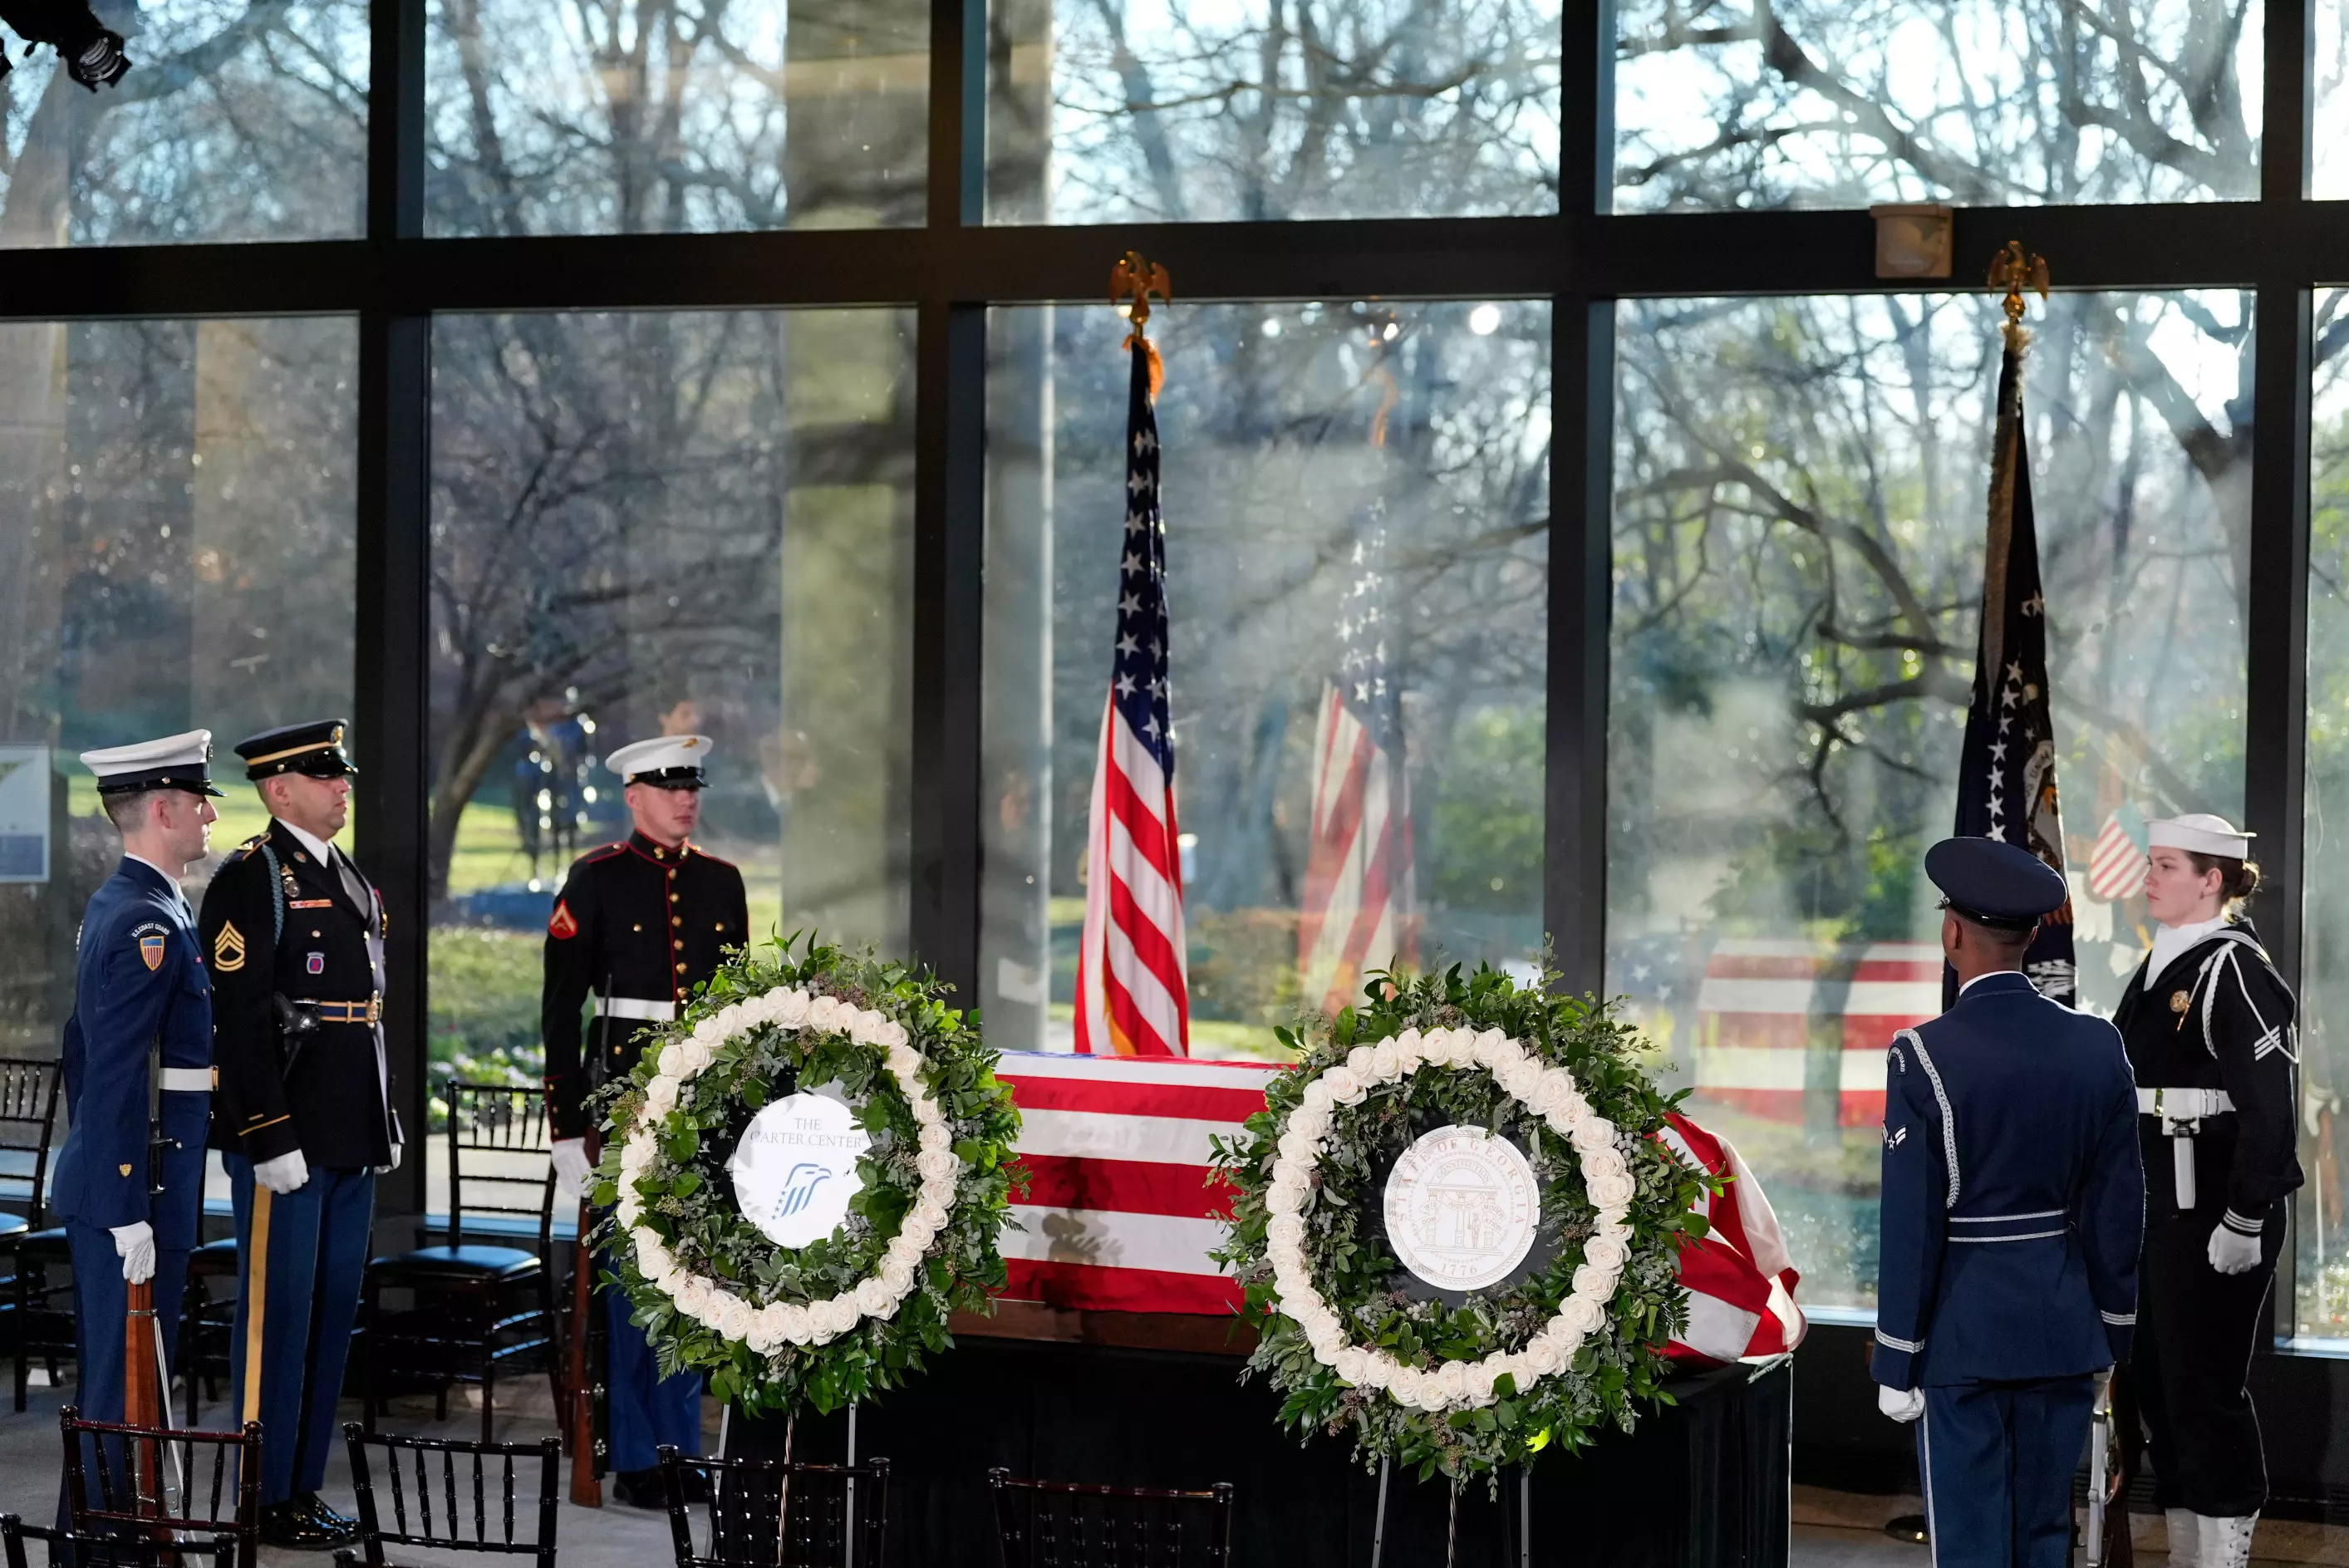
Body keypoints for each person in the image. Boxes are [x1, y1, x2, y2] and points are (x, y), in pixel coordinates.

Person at [1871, 836, 2144, 1568]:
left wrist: (1895, 1358)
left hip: (1963, 1336)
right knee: (2041, 1537)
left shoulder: (1922, 1054)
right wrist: (2112, 1333)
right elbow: (2117, 1211)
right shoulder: (2098, 1046)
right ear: (2031, 936)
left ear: (1951, 933)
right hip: (2062, 1327)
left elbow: (1911, 1225)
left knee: (1969, 1545)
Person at [199, 720, 399, 1550]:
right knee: (277, 1316)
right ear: (280, 790)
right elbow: (238, 1022)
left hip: (349, 1129)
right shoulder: (253, 878)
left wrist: (380, 1120)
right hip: (288, 1138)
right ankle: (260, 1489)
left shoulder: (345, 874)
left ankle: (301, 1486)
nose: (343, 786)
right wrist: (268, 1134)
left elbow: (367, 1015)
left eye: (342, 775)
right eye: (326, 777)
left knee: (328, 1315)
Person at [542, 734, 747, 1507]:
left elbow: (737, 1005)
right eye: (669, 787)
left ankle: (683, 1448)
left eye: (692, 785)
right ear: (634, 795)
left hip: (704, 1107)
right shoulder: (595, 879)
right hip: (624, 1104)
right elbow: (561, 1012)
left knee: (693, 1281)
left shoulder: (723, 883)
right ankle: (636, 1457)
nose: (686, 798)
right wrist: (567, 1128)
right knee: (632, 1289)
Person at [2117, 813, 2299, 1568]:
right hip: (2159, 1202)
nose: (2148, 878)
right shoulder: (2162, 963)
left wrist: (2244, 1214)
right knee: (2160, 1389)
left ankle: (2220, 1556)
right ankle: (2189, 1550)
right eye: (2153, 863)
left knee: (2205, 1390)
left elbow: (2269, 1106)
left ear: (2210, 879)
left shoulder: (2233, 968)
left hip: (2212, 1205)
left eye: (2164, 865)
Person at [51, 732, 222, 1438]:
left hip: (134, 1172)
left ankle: (112, 1538)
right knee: (123, 1392)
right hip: (136, 1185)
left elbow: (77, 1045)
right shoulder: (146, 918)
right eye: (198, 803)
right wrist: (123, 1197)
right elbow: (114, 1067)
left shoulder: (134, 903)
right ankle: (106, 1543)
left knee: (128, 1386)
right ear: (161, 809)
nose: (209, 817)